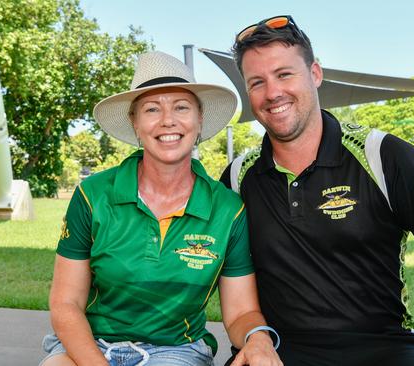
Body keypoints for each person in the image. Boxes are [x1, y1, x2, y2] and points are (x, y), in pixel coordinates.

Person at [220, 15, 414, 366]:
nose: (273, 93)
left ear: (315, 74)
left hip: (386, 345)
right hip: (280, 350)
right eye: (257, 82)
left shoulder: (382, 155)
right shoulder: (240, 176)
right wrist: (254, 341)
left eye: (285, 74)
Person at [42, 51, 282, 366]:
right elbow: (65, 304)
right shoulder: (93, 195)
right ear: (136, 124)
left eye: (181, 107)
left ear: (199, 120)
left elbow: (240, 312)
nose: (168, 120)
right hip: (89, 343)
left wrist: (259, 340)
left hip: (175, 350)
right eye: (152, 109)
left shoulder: (227, 210)